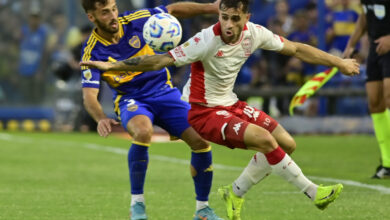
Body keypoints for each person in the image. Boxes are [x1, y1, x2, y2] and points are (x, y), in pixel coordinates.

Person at [81, 0, 360, 219]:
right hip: (200, 110)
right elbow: (158, 61)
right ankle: (313, 192)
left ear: (246, 19)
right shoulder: (205, 40)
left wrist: (339, 63)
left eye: (234, 18)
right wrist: (110, 70)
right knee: (265, 141)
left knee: (287, 143)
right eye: (223, 17)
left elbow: (297, 49)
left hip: (225, 102)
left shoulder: (256, 33)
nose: (227, 24)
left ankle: (231, 194)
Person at [79, 0, 223, 219]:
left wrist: (212, 8)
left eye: (114, 9)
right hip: (131, 99)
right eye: (105, 12)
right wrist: (100, 118)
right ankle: (137, 205)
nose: (113, 16)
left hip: (165, 92)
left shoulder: (136, 21)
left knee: (201, 140)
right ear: (92, 17)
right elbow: (89, 94)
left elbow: (172, 9)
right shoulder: (92, 50)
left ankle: (203, 210)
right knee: (143, 132)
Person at [343, 0, 390, 179]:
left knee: (389, 97)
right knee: (375, 102)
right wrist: (351, 44)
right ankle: (387, 163)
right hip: (375, 50)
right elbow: (364, 16)